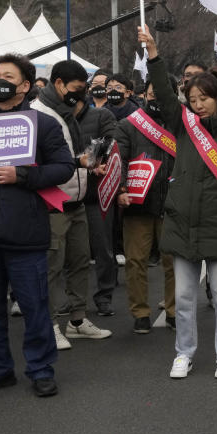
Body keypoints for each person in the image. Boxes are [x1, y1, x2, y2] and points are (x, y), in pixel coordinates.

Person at [138, 26, 217, 379]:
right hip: (182, 221)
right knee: (184, 298)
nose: (197, 103)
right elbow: (166, 96)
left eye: (205, 97)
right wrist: (154, 54)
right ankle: (183, 352)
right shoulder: (184, 124)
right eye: (193, 97)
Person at [0, 54, 75, 396]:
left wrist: (23, 175)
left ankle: (40, 370)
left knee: (34, 306)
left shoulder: (43, 124)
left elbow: (64, 167)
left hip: (25, 233)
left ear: (25, 85)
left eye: (8, 75)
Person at [31, 60, 113, 349]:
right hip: (52, 202)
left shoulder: (70, 112)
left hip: (77, 199)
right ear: (59, 83)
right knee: (51, 267)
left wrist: (89, 166)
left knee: (79, 262)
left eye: (84, 90)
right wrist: (76, 164)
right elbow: (41, 162)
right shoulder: (38, 114)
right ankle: (49, 324)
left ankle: (77, 320)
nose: (81, 95)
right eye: (77, 89)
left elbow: (75, 153)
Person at [114, 77, 176, 333]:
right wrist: (121, 189)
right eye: (151, 94)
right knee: (135, 261)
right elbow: (120, 160)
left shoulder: (182, 124)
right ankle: (140, 312)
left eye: (161, 94)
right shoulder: (128, 125)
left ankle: (174, 311)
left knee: (174, 262)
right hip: (138, 205)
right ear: (144, 94)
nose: (155, 99)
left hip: (172, 205)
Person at [78, 83, 119, 317]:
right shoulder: (56, 117)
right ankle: (75, 300)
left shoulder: (101, 115)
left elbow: (112, 143)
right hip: (68, 192)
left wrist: (95, 163)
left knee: (103, 248)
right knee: (73, 253)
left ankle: (104, 295)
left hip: (97, 193)